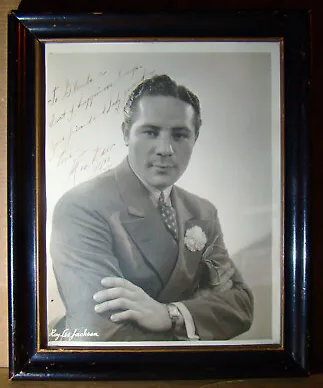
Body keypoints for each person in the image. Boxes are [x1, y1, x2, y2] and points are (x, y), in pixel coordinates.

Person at [50, 74, 253, 342]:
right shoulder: (82, 206)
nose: (165, 149)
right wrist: (198, 308)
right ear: (126, 133)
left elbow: (240, 305)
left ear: (195, 139)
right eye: (150, 132)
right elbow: (104, 331)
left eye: (180, 135)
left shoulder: (203, 212)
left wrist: (168, 314)